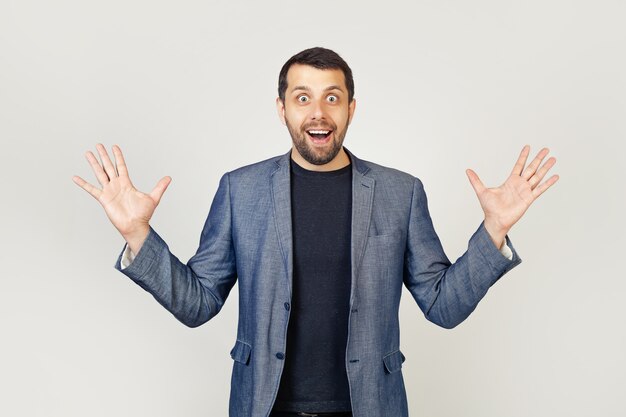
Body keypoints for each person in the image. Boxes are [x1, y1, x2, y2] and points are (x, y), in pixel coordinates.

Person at [72, 47, 559, 417]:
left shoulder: (399, 193)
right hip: (266, 407)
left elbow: (443, 305)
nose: (318, 112)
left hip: (369, 406)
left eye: (332, 98)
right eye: (302, 98)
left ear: (351, 108)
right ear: (282, 108)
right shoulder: (241, 191)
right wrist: (139, 235)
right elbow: (198, 303)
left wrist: (493, 230)